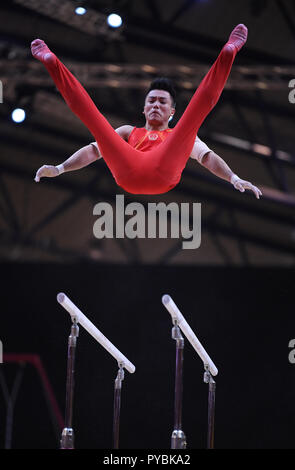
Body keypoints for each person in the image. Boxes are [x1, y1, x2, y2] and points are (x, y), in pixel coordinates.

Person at [31, 24, 262, 199]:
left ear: (172, 111)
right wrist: (60, 169)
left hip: (163, 171)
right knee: (93, 119)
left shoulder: (178, 136)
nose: (156, 105)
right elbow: (92, 152)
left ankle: (228, 53)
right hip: (128, 170)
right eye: (151, 101)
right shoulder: (127, 131)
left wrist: (233, 177)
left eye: (163, 102)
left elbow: (208, 158)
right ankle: (52, 63)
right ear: (143, 109)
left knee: (195, 115)